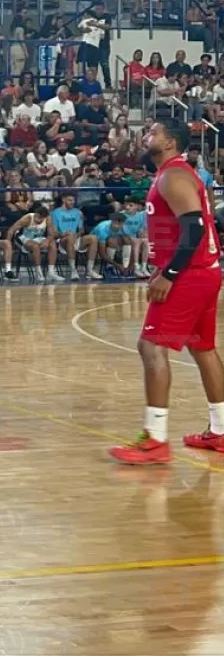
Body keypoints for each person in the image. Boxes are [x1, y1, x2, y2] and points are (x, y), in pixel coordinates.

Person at [110, 120, 224, 464]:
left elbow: (195, 228)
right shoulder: (172, 174)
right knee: (203, 348)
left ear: (170, 142)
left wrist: (170, 274)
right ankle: (220, 431)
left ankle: (155, 440)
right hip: (202, 271)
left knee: (151, 345)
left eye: (153, 132)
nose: (147, 136)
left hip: (190, 274)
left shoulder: (174, 176)